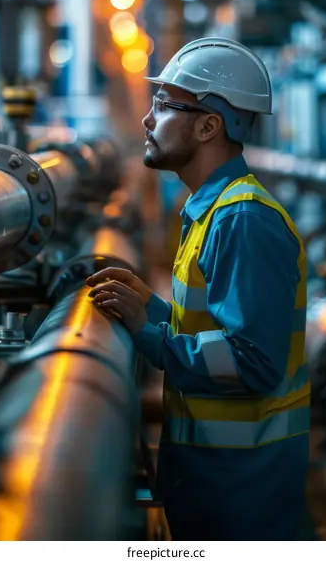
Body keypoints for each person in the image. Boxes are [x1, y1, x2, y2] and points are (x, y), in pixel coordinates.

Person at [87, 37, 310, 540]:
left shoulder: (242, 219)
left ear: (209, 126)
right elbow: (215, 324)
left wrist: (151, 336)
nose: (148, 119)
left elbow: (252, 360)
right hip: (216, 481)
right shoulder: (210, 210)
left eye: (164, 105)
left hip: (242, 494)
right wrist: (156, 309)